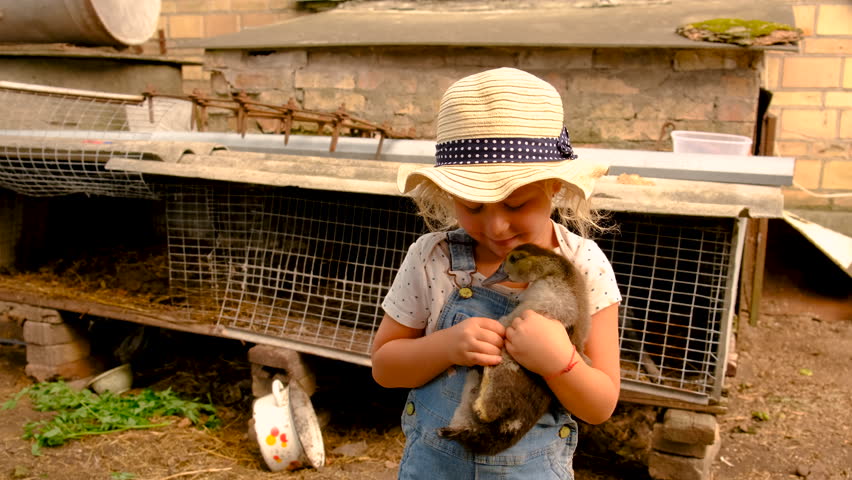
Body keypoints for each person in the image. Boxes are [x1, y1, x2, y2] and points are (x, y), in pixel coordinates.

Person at [371, 67, 622, 479]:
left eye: (516, 204)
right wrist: (446, 346)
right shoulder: (432, 259)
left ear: (554, 186)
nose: (496, 227)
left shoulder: (585, 266)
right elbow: (384, 367)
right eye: (472, 206)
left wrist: (560, 362)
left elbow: (600, 405)